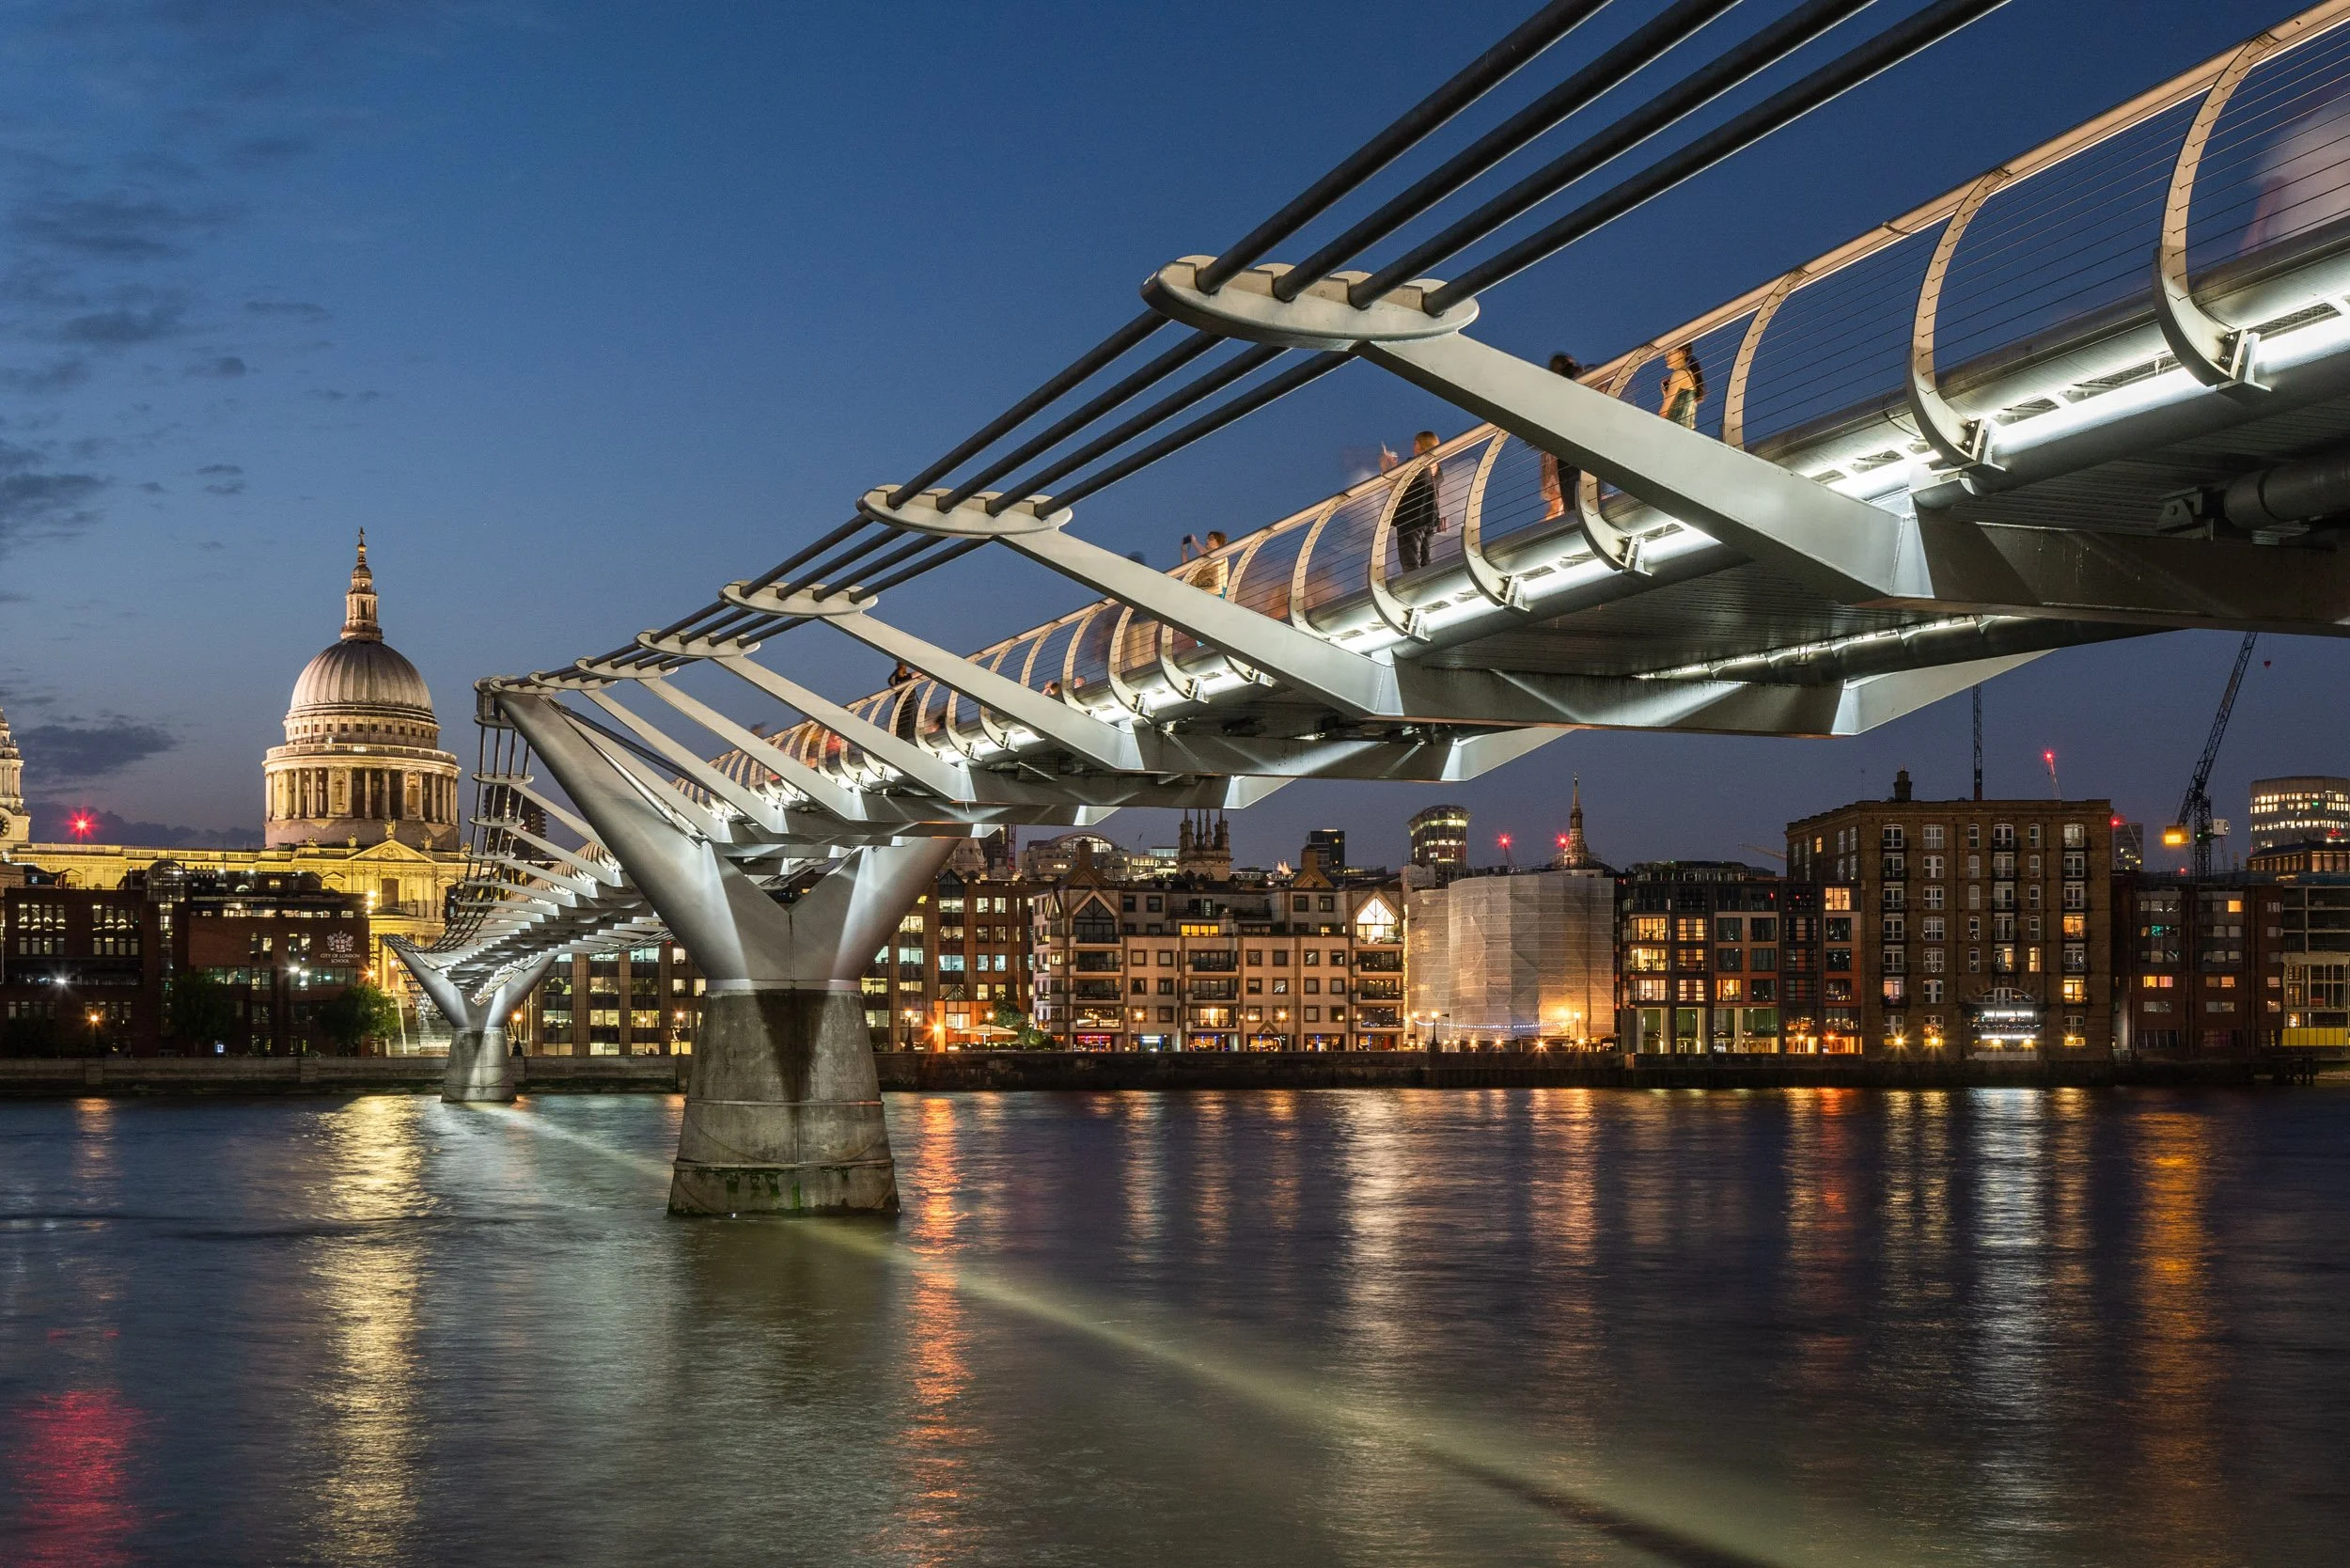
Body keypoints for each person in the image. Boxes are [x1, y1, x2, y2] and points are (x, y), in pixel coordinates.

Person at [1387, 431, 1443, 571]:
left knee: (1410, 563)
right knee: (1425, 561)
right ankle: (1427, 586)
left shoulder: (1414, 465)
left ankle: (1416, 589)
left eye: (1415, 443)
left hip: (1411, 518)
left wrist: (1387, 466)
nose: (1413, 446)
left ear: (1422, 444)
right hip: (1429, 518)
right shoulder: (1437, 468)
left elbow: (1395, 488)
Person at [1539, 353, 1583, 520]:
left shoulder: (1551, 394)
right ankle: (1554, 530)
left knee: (1557, 501)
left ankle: (1551, 532)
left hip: (1557, 446)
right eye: (1567, 365)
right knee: (1560, 499)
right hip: (1562, 447)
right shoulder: (1563, 391)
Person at [1660, 344, 1704, 429]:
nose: (1666, 357)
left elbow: (1664, 411)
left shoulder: (1679, 374)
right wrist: (1666, 394)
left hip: (1676, 427)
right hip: (1685, 428)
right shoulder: (1688, 373)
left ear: (1682, 353)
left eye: (1669, 353)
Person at [1186, 529, 1230, 594]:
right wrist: (1184, 551)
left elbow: (1206, 554)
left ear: (1219, 542)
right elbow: (1187, 570)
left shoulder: (1221, 556)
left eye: (1211, 539)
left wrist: (1194, 542)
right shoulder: (1202, 560)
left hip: (1216, 594)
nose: (1207, 540)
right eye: (1207, 539)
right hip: (1199, 592)